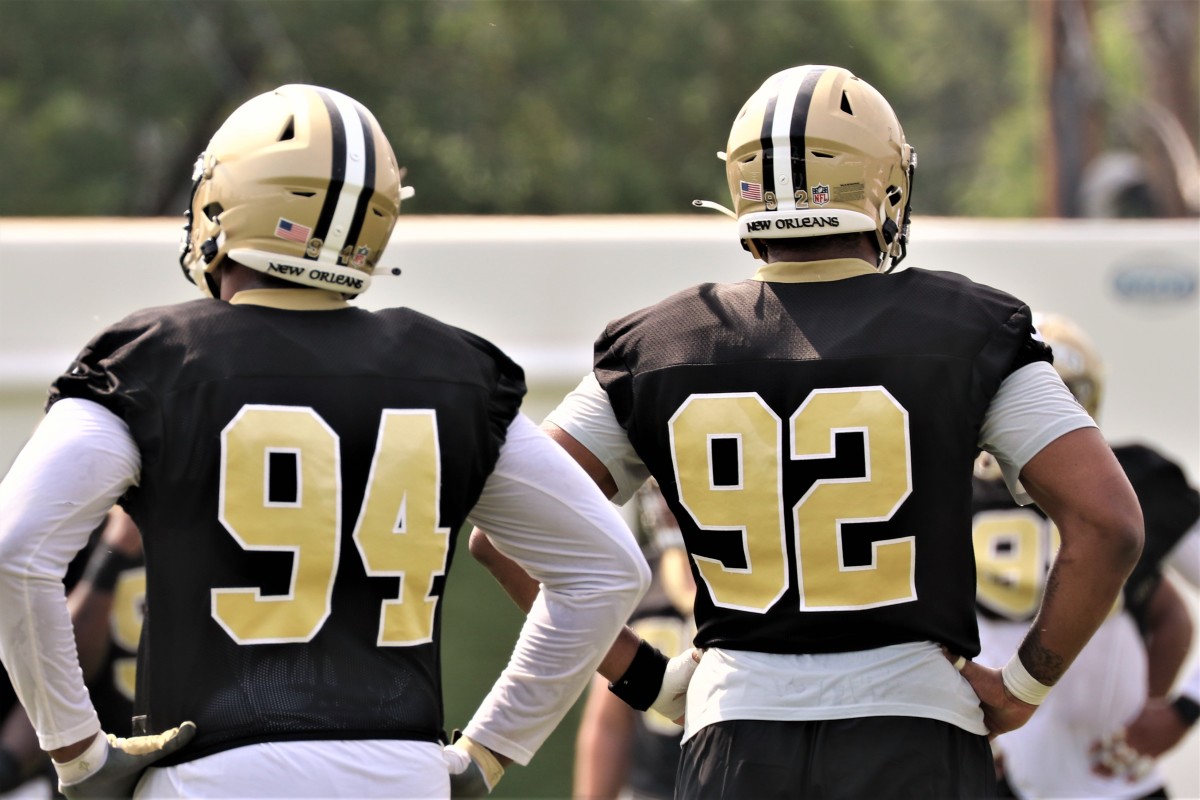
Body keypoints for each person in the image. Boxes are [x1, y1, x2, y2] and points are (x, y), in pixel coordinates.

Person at [477, 64, 1144, 798]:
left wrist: (646, 678)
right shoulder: (967, 328)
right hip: (915, 730)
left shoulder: (659, 344)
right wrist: (1025, 684)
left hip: (735, 733)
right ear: (885, 188)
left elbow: (507, 535)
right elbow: (1108, 522)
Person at [0, 84, 651, 799]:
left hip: (214, 777)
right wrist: (492, 748)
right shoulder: (452, 373)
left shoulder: (156, 359)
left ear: (223, 204)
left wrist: (77, 750)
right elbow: (606, 570)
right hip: (401, 773)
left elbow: (15, 549)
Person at [972, 311, 1200, 799]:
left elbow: (1170, 616)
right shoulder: (943, 486)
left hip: (1112, 781)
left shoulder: (1135, 482)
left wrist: (1183, 709)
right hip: (994, 773)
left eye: (1059, 395)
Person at [572, 480, 696, 800]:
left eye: (682, 484)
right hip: (652, 789)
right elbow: (609, 723)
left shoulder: (760, 584)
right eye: (660, 487)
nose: (667, 504)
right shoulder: (637, 578)